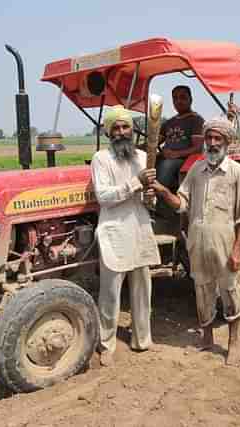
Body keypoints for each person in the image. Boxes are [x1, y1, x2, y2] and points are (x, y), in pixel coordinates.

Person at [151, 116, 240, 365]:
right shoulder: (196, 170)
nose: (212, 142)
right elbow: (182, 203)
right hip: (198, 241)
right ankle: (206, 337)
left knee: (228, 291)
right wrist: (163, 191)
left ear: (227, 142)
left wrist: (237, 251)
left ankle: (234, 343)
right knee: (202, 290)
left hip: (225, 243)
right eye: (209, 138)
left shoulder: (238, 173)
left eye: (218, 138)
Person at [91, 105, 161, 367]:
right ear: (109, 133)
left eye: (125, 127)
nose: (121, 132)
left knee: (143, 287)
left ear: (132, 130)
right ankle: (106, 344)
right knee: (110, 293)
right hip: (114, 230)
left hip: (139, 226)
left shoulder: (143, 157)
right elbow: (104, 197)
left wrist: (149, 195)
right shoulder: (101, 159)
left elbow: (145, 199)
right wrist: (136, 183)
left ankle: (142, 339)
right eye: (116, 128)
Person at [155, 85, 205, 217]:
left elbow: (198, 148)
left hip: (185, 159)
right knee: (144, 161)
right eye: (175, 98)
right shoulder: (169, 122)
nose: (179, 101)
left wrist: (175, 154)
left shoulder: (196, 120)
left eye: (183, 97)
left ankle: (161, 208)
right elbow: (155, 142)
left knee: (166, 165)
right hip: (168, 156)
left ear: (190, 99)